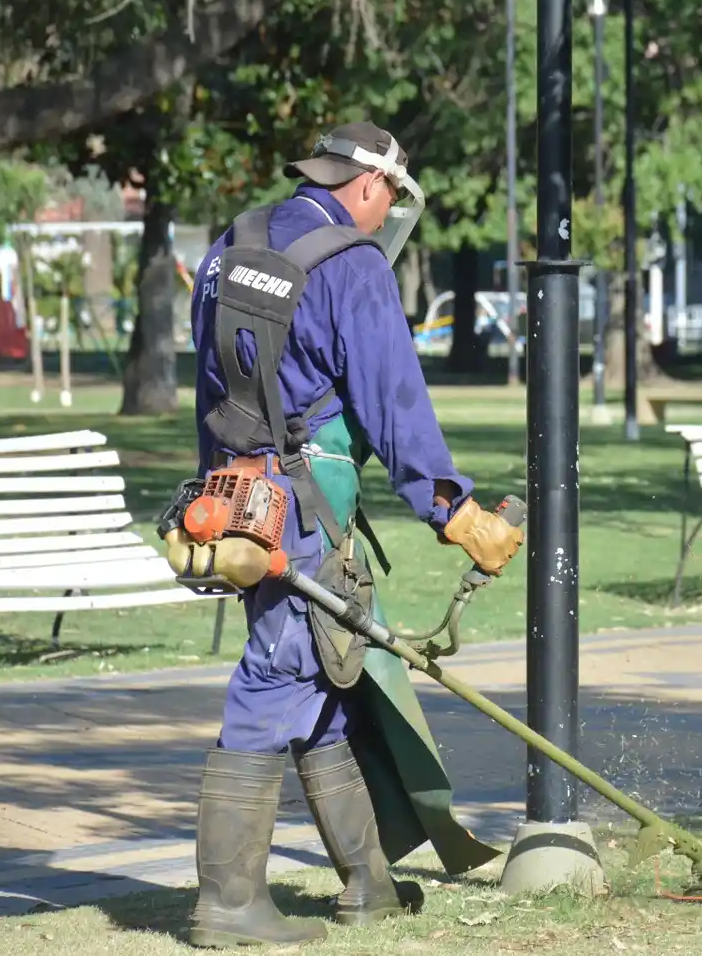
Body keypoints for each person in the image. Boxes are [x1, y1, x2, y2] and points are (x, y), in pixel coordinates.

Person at [182, 122, 524, 948]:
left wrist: (214, 491)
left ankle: (367, 881)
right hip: (304, 506)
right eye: (391, 201)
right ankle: (228, 903)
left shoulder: (233, 245)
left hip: (236, 500)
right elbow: (394, 405)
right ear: (369, 186)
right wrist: (458, 513)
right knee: (276, 679)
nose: (386, 218)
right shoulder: (351, 265)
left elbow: (209, 378)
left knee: (327, 673)